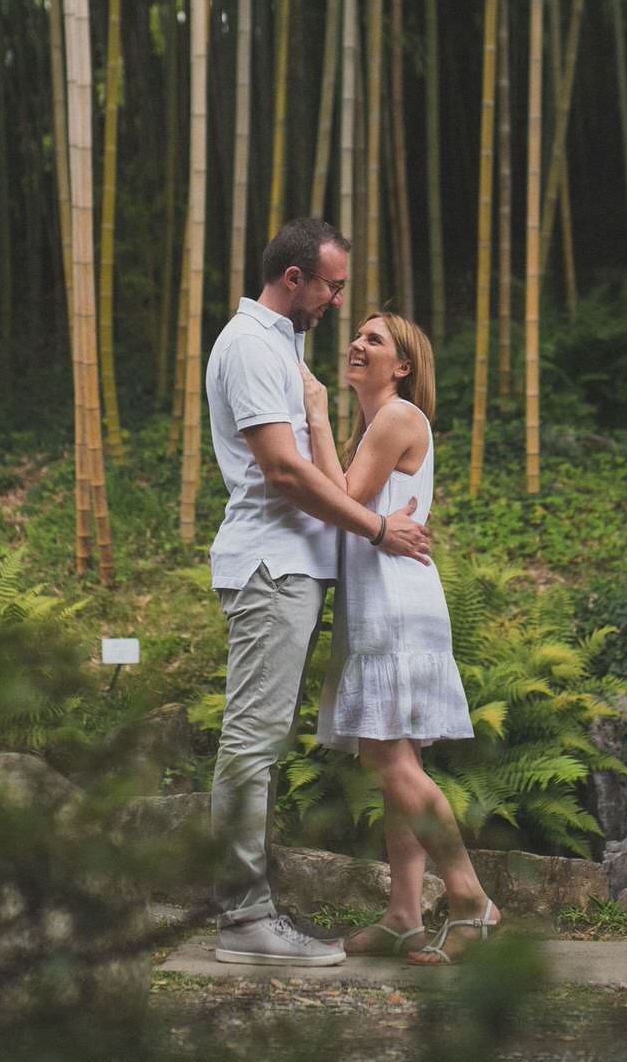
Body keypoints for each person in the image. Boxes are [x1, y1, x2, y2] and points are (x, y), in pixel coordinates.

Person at [205, 218, 434, 967]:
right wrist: (375, 528)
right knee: (252, 739)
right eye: (333, 285)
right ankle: (242, 919)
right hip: (271, 569)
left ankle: (253, 907)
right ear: (296, 278)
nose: (338, 300)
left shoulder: (283, 345)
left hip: (293, 570)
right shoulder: (249, 345)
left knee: (262, 740)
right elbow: (283, 471)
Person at [302, 312, 498, 965]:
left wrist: (316, 412)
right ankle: (404, 916)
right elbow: (358, 509)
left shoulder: (396, 416)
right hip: (384, 600)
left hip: (394, 606)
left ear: (404, 365)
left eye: (375, 339)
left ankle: (472, 897)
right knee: (398, 765)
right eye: (356, 334)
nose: (357, 343)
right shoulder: (379, 424)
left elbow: (340, 495)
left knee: (388, 762)